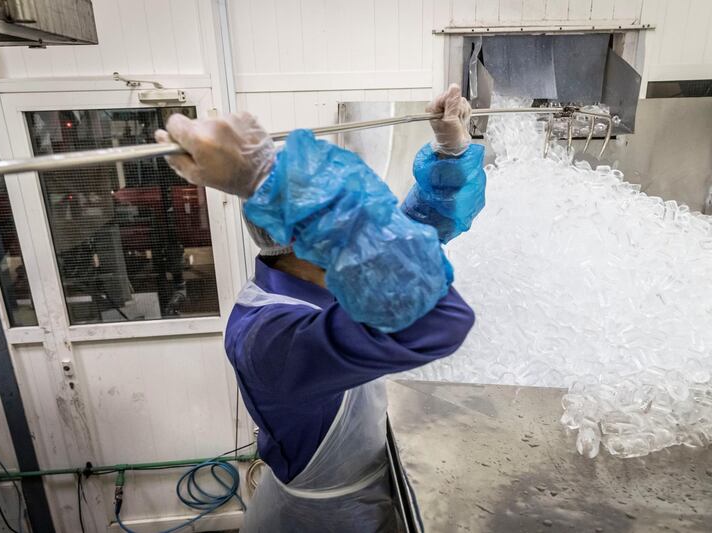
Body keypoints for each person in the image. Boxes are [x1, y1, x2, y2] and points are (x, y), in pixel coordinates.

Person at [155, 84, 485, 532]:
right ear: (313, 241)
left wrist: (450, 153)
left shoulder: (317, 281)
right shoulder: (271, 335)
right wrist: (269, 180)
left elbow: (410, 237)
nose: (363, 232)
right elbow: (438, 320)